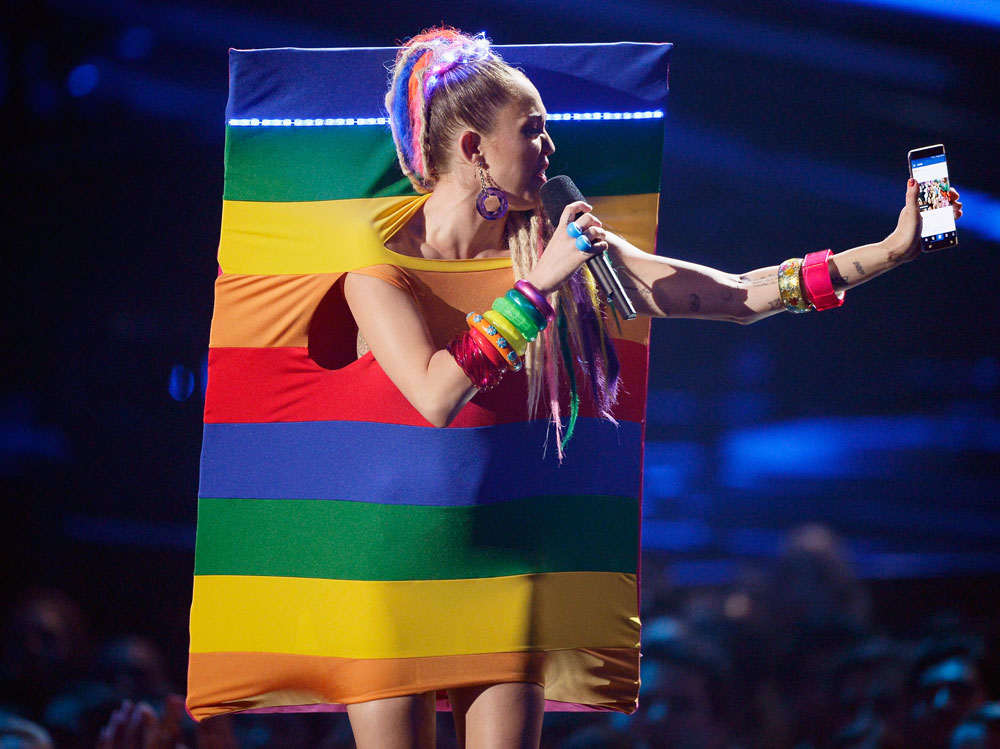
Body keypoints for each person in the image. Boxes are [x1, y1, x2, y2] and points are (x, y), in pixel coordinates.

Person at [191, 27, 964, 749]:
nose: (551, 144)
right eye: (532, 129)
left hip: (511, 565)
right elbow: (435, 393)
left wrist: (891, 251)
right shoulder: (379, 269)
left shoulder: (557, 237)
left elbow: (736, 295)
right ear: (473, 148)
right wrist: (538, 289)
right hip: (389, 575)